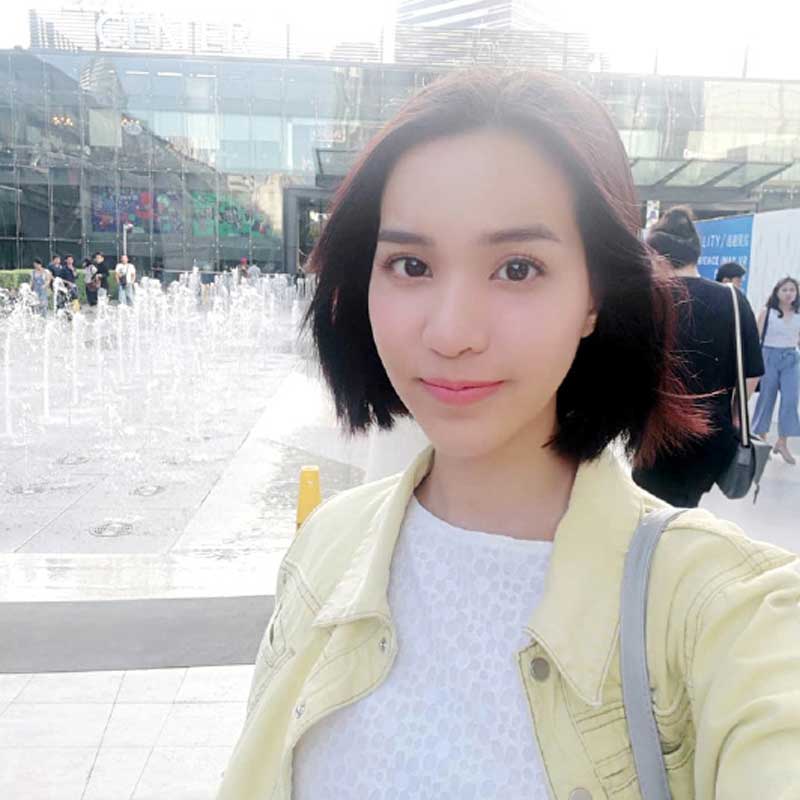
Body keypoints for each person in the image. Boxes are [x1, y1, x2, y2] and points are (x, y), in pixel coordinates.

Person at [217, 71, 800, 800]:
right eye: (410, 265)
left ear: (594, 296)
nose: (452, 332)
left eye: (517, 268)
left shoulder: (729, 617)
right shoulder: (323, 552)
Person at [632, 207, 764, 507]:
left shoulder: (650, 300)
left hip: (655, 433)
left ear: (658, 255)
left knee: (652, 510)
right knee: (683, 506)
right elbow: (752, 373)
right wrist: (734, 416)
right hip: (712, 434)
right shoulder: (733, 299)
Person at [752, 276, 800, 464]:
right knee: (766, 398)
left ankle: (782, 442)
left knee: (790, 400)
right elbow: (755, 337)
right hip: (769, 356)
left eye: (792, 290)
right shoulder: (767, 312)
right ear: (777, 292)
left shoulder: (798, 313)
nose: (789, 293)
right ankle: (762, 440)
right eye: (785, 290)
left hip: (791, 358)